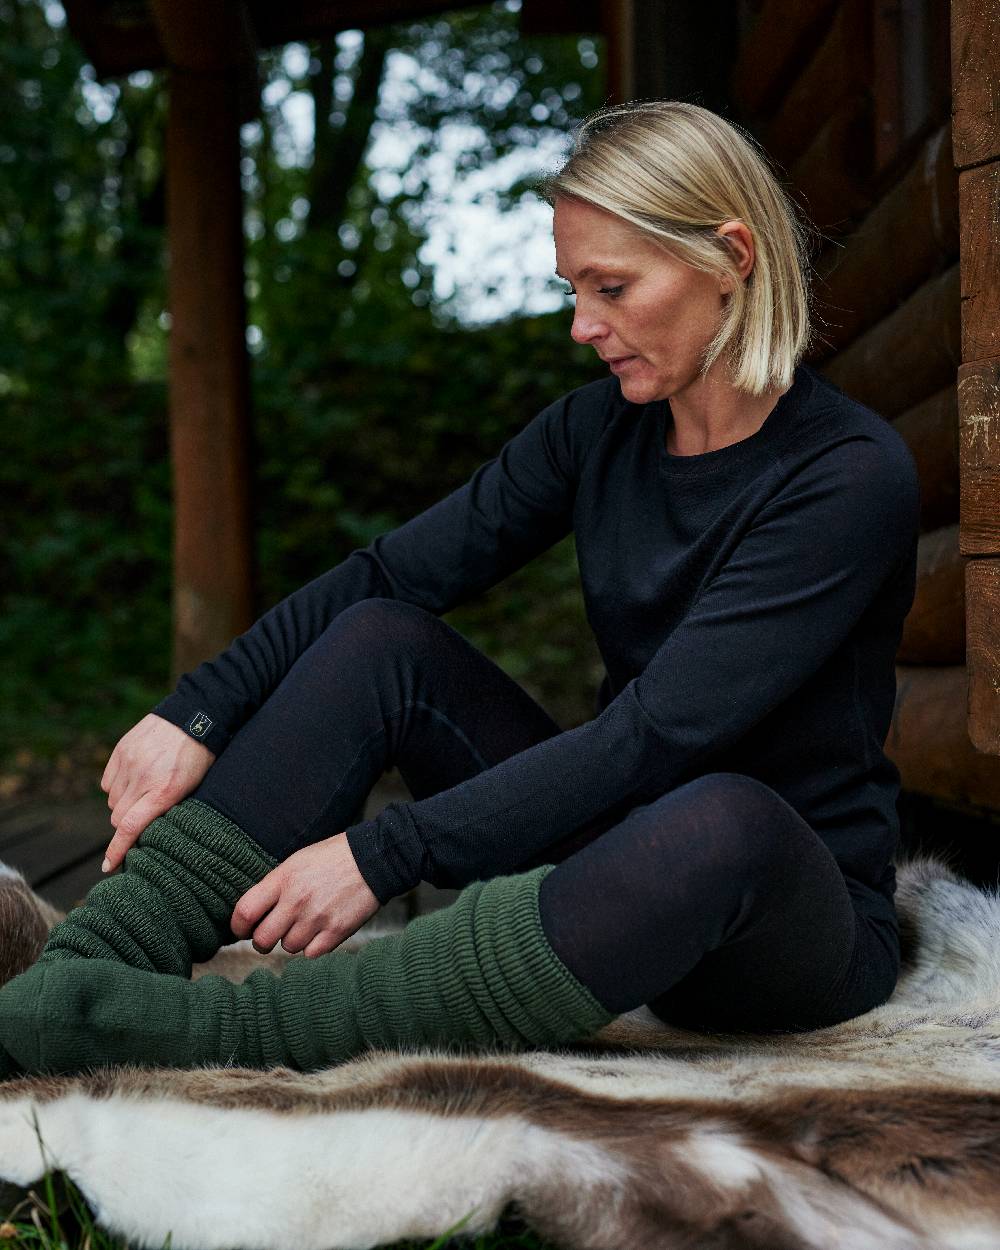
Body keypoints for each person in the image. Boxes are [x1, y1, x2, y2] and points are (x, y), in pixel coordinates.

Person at [0, 100, 919, 1078]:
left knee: (722, 813)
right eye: (572, 287)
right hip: (610, 857)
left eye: (611, 287)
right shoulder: (599, 429)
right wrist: (200, 706)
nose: (582, 325)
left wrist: (384, 851)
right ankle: (69, 986)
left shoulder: (845, 475)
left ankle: (215, 1035)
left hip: (774, 915)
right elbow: (390, 571)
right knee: (381, 639)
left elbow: (653, 734)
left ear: (732, 254)